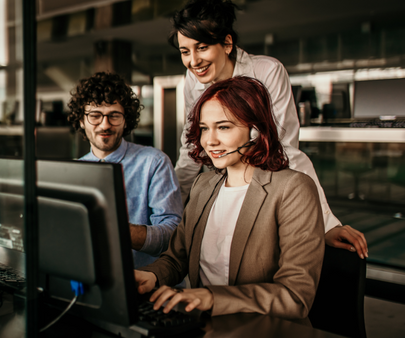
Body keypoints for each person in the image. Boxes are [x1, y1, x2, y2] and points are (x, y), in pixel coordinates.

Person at [169, 0, 368, 259]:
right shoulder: (193, 80)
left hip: (265, 190)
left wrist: (327, 223)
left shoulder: (267, 71)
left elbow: (285, 149)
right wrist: (170, 208)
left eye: (201, 48)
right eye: (184, 52)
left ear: (227, 43)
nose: (193, 61)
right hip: (221, 188)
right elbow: (191, 149)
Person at [135, 76, 325, 320]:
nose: (210, 140)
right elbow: (177, 258)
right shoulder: (204, 185)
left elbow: (295, 296)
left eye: (223, 127)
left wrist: (212, 298)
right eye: (204, 128)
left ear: (255, 131)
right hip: (204, 324)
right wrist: (150, 276)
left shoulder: (293, 189)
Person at [67, 71, 183, 268]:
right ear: (81, 119)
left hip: (145, 286)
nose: (105, 125)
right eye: (95, 115)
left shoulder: (154, 162)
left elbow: (172, 236)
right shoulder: (72, 171)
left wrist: (115, 229)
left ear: (126, 120)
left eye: (114, 115)